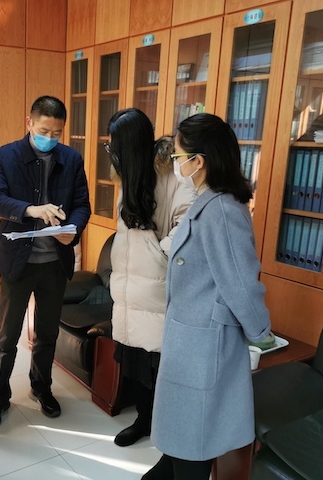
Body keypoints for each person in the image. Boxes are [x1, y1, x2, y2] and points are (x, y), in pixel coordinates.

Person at [144, 113, 272, 480]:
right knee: (178, 449)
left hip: (205, 347)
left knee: (192, 449)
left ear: (198, 161)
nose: (176, 163)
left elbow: (241, 284)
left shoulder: (223, 211)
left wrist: (261, 333)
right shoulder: (207, 201)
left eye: (178, 156)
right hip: (189, 340)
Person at [0, 95, 91, 428]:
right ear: (29, 123)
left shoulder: (71, 159)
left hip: (54, 263)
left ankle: (41, 387)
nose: (50, 138)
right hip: (17, 263)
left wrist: (73, 231)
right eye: (44, 131)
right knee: (6, 336)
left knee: (47, 333)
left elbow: (82, 205)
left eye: (57, 133)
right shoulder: (6, 155)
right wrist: (30, 210)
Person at [105, 109, 195, 447]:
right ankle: (144, 421)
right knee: (136, 359)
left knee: (156, 365)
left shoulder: (173, 175)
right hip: (129, 286)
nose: (111, 151)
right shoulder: (127, 176)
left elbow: (188, 225)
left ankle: (164, 429)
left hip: (156, 287)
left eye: (114, 145)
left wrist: (158, 252)